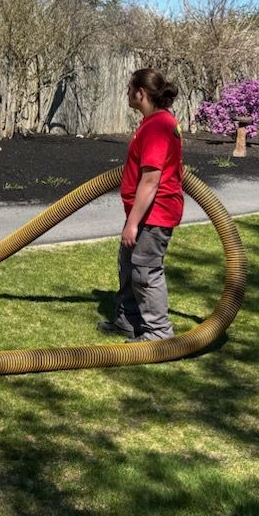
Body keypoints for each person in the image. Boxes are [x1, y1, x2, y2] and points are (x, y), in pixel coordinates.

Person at [99, 68, 184, 342]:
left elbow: (150, 180)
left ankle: (158, 332)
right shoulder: (154, 122)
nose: (126, 93)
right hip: (145, 210)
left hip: (154, 213)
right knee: (127, 263)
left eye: (129, 89)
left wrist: (133, 223)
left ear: (141, 93)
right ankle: (127, 320)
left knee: (145, 269)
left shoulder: (159, 126)